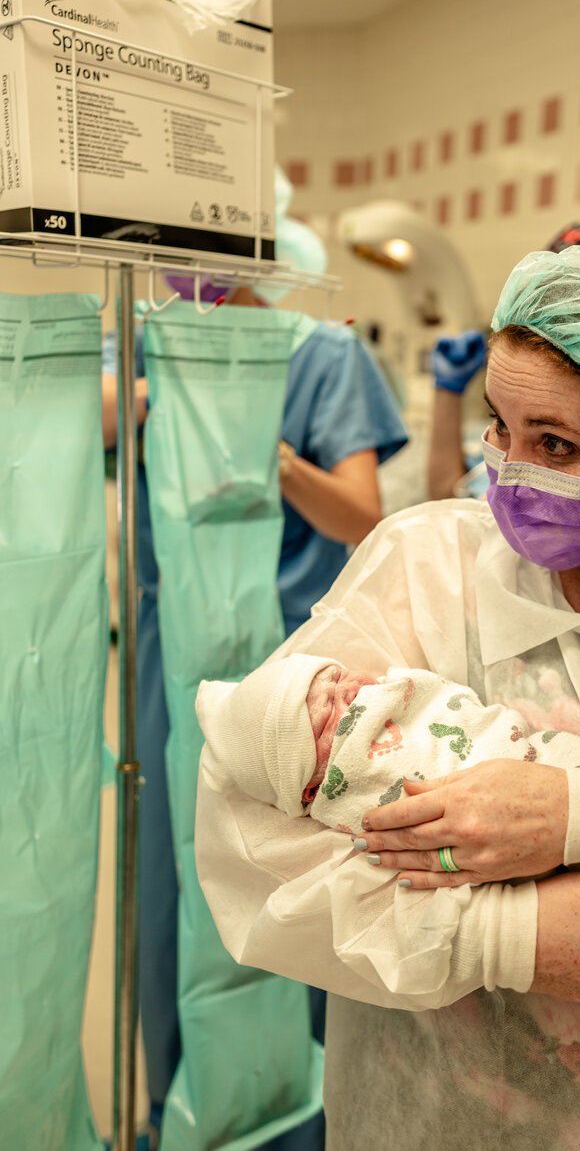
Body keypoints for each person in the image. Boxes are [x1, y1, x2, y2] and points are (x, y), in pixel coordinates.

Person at [196, 243, 580, 1150]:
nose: (509, 472)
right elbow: (250, 827)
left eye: (554, 442)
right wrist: (502, 937)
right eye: (499, 428)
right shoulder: (429, 570)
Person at [101, 217, 408, 1148]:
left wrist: (252, 452)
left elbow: (361, 514)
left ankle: (293, 1121)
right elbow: (72, 428)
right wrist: (154, 394)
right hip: (174, 657)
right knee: (174, 888)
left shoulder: (320, 354)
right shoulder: (141, 342)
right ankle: (178, 1114)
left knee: (299, 902)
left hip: (294, 666)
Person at [197, 653, 580, 1036]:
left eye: (560, 445)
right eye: (331, 704)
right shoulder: (419, 563)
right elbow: (270, 861)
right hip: (511, 1087)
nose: (355, 688)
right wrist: (509, 936)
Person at [427, 222, 580, 500]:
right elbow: (449, 499)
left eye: (555, 443)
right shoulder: (513, 441)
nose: (510, 483)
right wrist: (448, 392)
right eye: (501, 423)